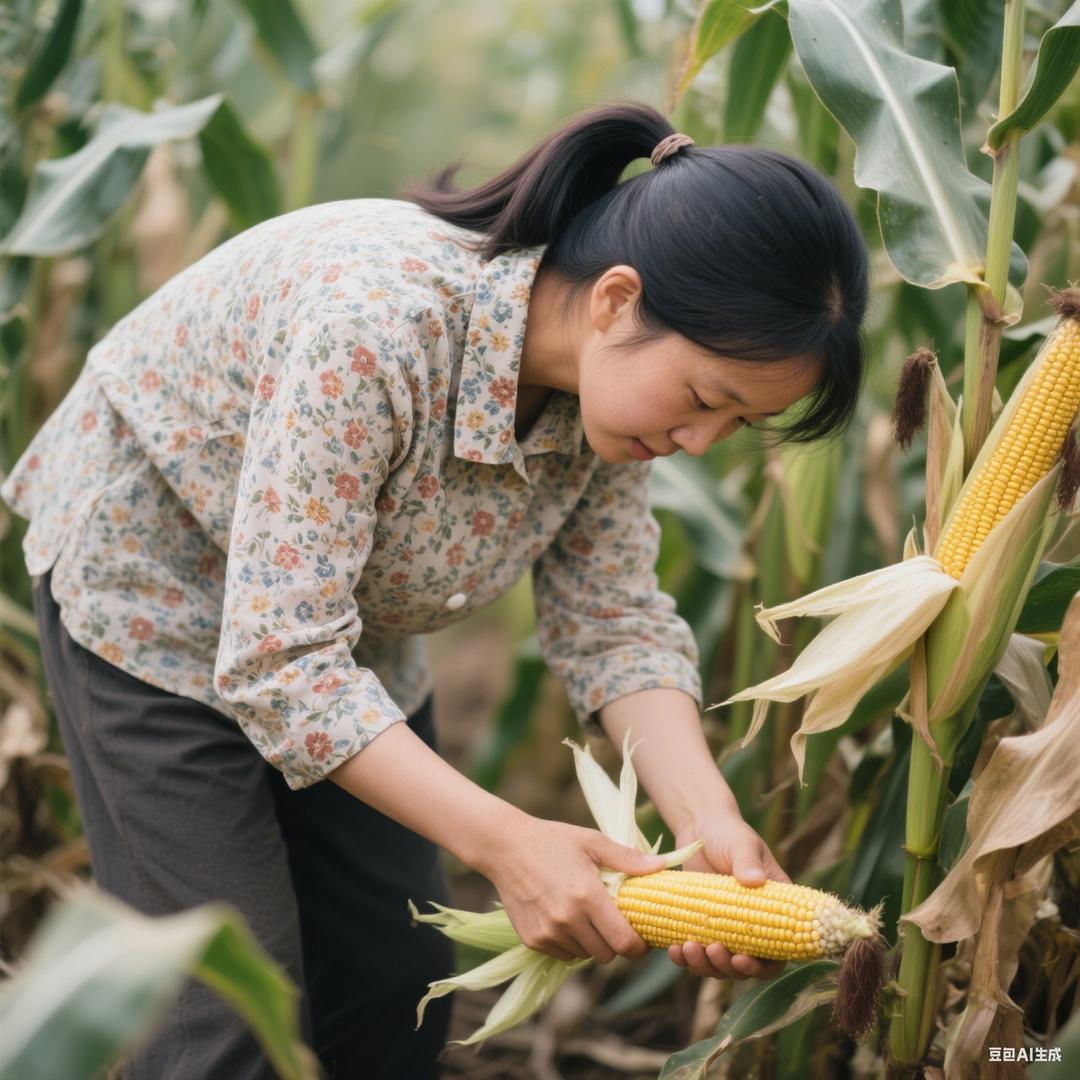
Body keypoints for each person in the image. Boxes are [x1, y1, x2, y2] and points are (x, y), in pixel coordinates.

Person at [1, 99, 869, 1079]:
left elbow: (615, 626)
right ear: (617, 300)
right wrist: (505, 842)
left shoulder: (613, 403)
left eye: (737, 423)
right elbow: (280, 662)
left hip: (341, 637)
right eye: (707, 399)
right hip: (153, 608)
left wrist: (710, 824)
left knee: (395, 980)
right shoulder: (375, 330)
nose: (700, 442)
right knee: (221, 1007)